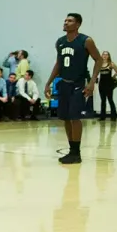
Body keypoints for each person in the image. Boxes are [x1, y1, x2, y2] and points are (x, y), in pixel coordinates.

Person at [43, 13, 101, 164]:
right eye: (65, 20)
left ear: (78, 24)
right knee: (66, 118)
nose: (66, 23)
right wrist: (48, 82)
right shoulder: (60, 42)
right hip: (64, 83)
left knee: (75, 117)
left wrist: (92, 82)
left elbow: (99, 59)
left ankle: (77, 152)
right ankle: (71, 151)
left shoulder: (86, 40)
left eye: (70, 21)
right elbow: (58, 64)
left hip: (79, 83)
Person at [96, 50, 117, 119]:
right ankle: (102, 116)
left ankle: (113, 116)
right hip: (101, 84)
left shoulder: (111, 64)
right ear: (101, 56)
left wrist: (113, 77)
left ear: (108, 56)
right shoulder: (99, 64)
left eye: (106, 55)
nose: (105, 56)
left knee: (110, 99)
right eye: (103, 54)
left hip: (109, 84)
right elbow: (96, 72)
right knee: (103, 100)